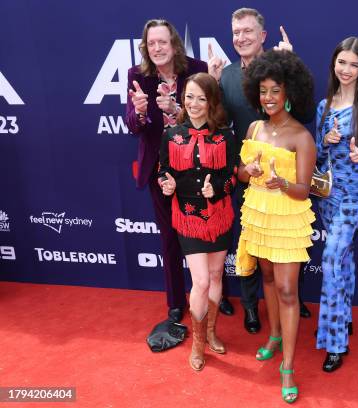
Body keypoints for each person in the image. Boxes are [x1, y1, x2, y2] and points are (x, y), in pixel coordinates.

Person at [125, 19, 234, 341]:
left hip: (202, 168)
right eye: (151, 44)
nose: (157, 48)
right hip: (163, 170)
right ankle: (175, 302)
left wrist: (187, 101)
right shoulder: (137, 77)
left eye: (162, 42)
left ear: (174, 44)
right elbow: (133, 124)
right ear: (146, 48)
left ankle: (220, 296)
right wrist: (141, 112)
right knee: (169, 238)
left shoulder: (197, 69)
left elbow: (216, 113)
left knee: (213, 226)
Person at [217, 7, 313, 335]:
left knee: (284, 250)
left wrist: (293, 62)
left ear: (262, 35)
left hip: (282, 175)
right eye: (236, 33)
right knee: (253, 252)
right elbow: (218, 122)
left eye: (247, 31)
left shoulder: (281, 67)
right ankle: (251, 309)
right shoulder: (227, 75)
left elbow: (303, 112)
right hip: (248, 171)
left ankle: (291, 302)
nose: (241, 38)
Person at [236, 49, 315, 403]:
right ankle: (275, 335)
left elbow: (303, 190)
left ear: (289, 93)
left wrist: (282, 184)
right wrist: (247, 173)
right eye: (263, 91)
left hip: (287, 217)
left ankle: (287, 368)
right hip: (259, 213)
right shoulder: (254, 128)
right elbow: (240, 174)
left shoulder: (301, 136)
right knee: (266, 279)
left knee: (287, 290)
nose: (268, 98)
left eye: (275, 91)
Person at [314, 37, 358, 373]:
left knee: (331, 258)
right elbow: (315, 155)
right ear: (334, 65)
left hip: (355, 193)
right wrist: (325, 142)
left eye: (353, 64)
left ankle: (334, 342)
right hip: (329, 194)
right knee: (343, 259)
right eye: (341, 63)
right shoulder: (324, 105)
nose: (346, 70)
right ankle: (343, 319)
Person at [158, 72, 237, 370]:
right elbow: (163, 170)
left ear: (211, 102)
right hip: (188, 217)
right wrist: (167, 184)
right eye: (189, 96)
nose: (193, 103)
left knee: (216, 277)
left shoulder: (225, 136)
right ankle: (198, 343)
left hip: (219, 215)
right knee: (201, 281)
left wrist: (215, 189)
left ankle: (212, 332)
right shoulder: (172, 134)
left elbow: (231, 176)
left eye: (201, 98)